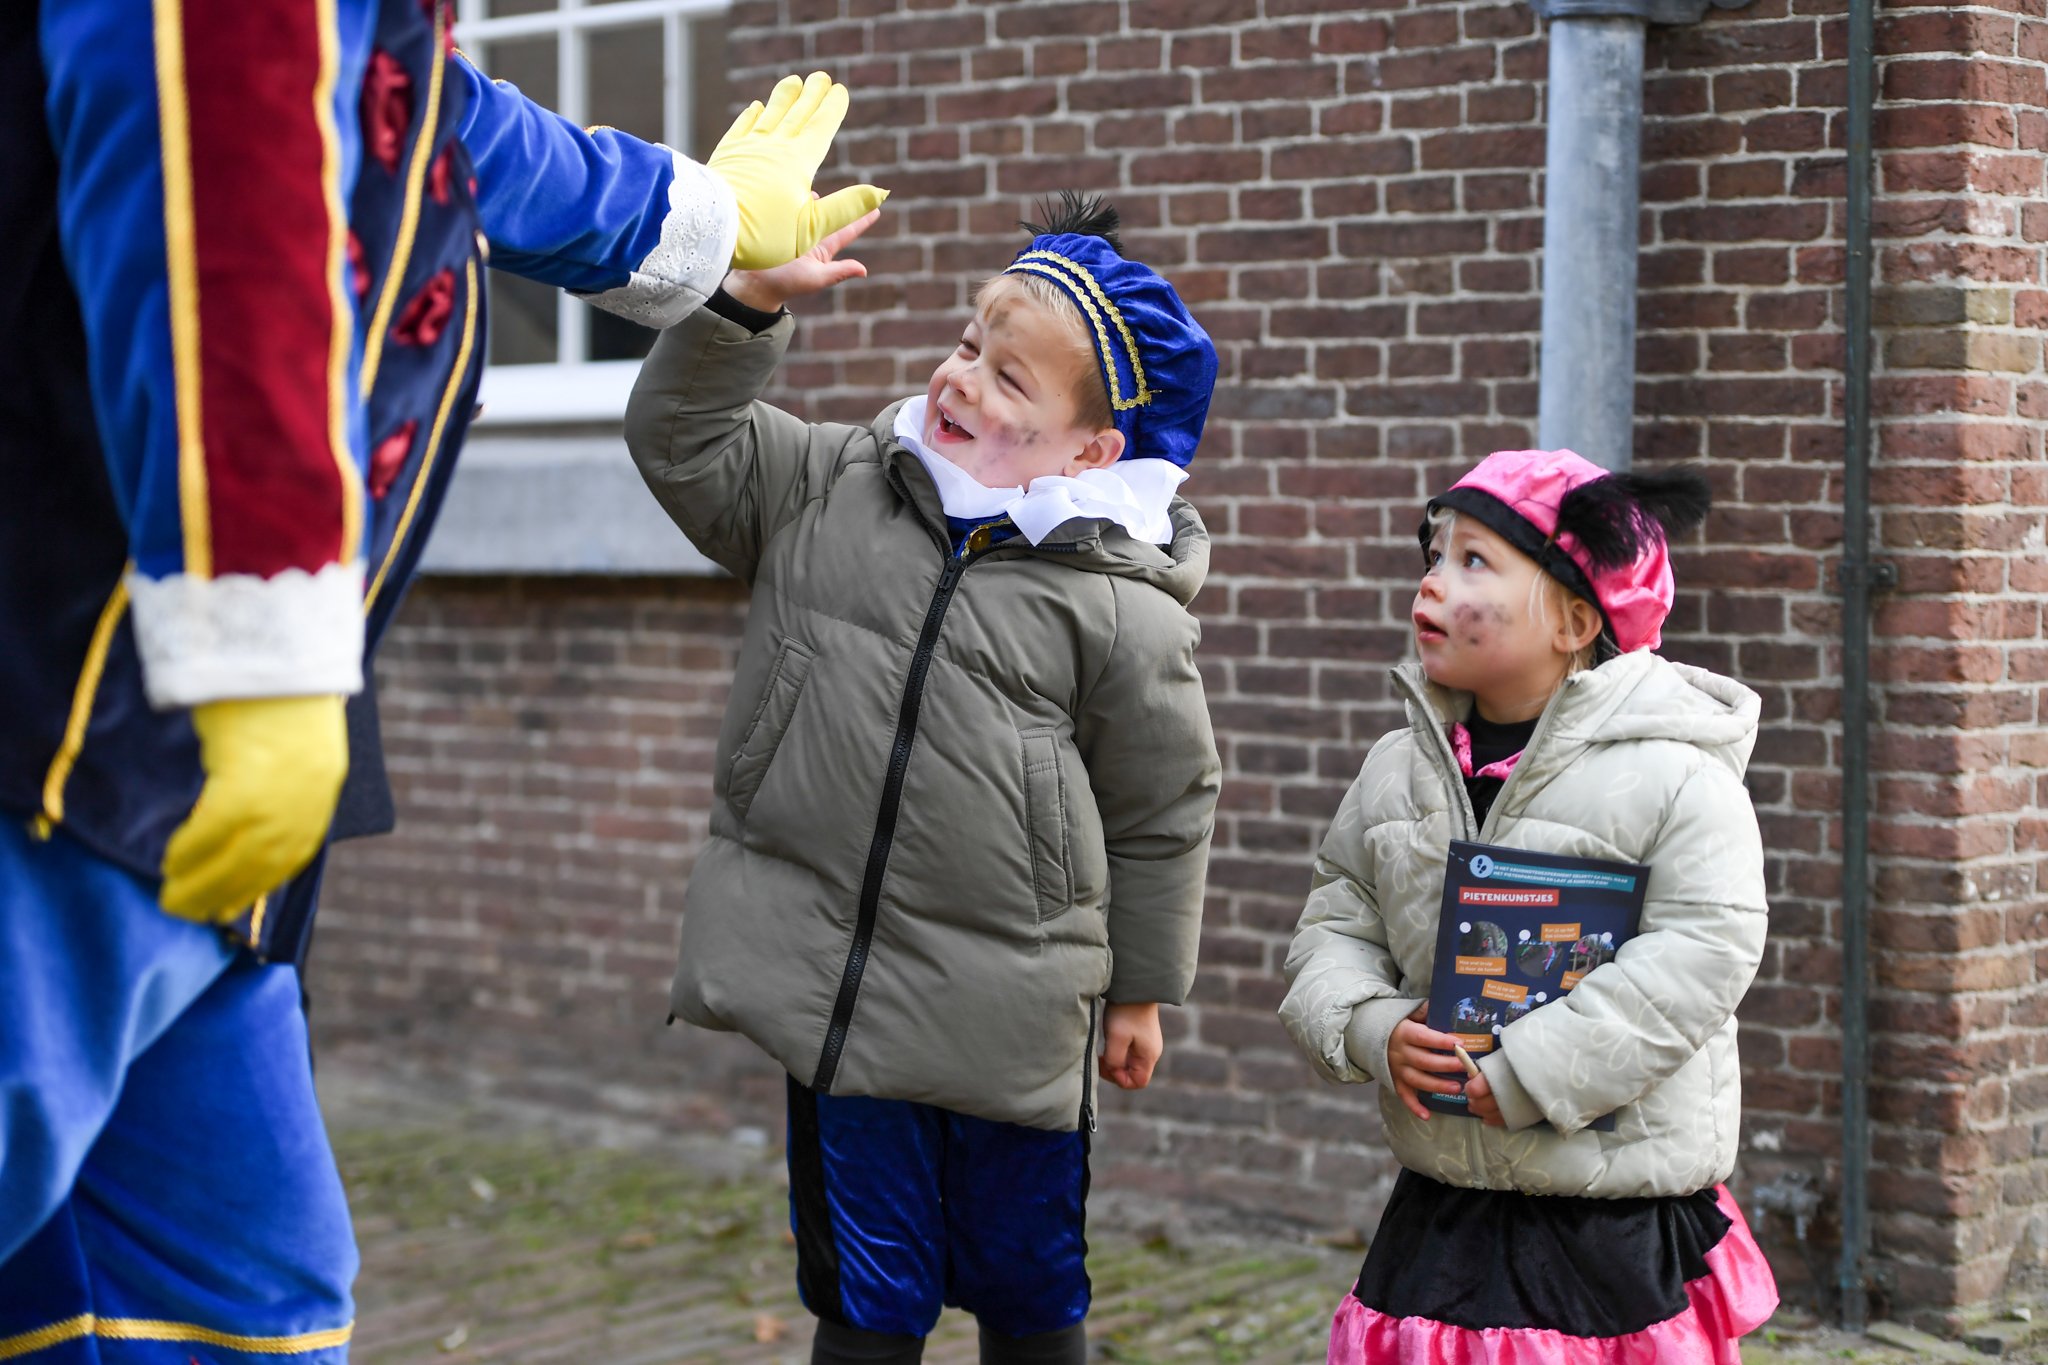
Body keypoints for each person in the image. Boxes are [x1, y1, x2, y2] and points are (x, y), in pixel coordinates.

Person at [1, 0, 880, 1349]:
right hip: (75, 717)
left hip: (188, 764)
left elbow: (438, 130)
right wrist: (260, 641)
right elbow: (216, 118)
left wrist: (699, 219)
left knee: (241, 1299)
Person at [622, 193, 1221, 1365]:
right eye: (964, 347)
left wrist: (1141, 990)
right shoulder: (833, 486)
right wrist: (741, 310)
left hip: (1015, 1017)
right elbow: (681, 442)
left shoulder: (1118, 609)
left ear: (1091, 452)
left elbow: (1160, 810)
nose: (961, 382)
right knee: (863, 1294)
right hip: (840, 1003)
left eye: (1010, 381)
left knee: (1030, 1285)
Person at [1278, 449, 1781, 1363]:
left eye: (1474, 561)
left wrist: (1528, 1070)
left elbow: (1703, 950)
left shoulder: (1675, 774)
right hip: (1445, 1207)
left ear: (1575, 617)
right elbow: (1335, 919)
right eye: (1433, 556)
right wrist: (1372, 1027)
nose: (1433, 581)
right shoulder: (1399, 768)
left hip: (1609, 1212)